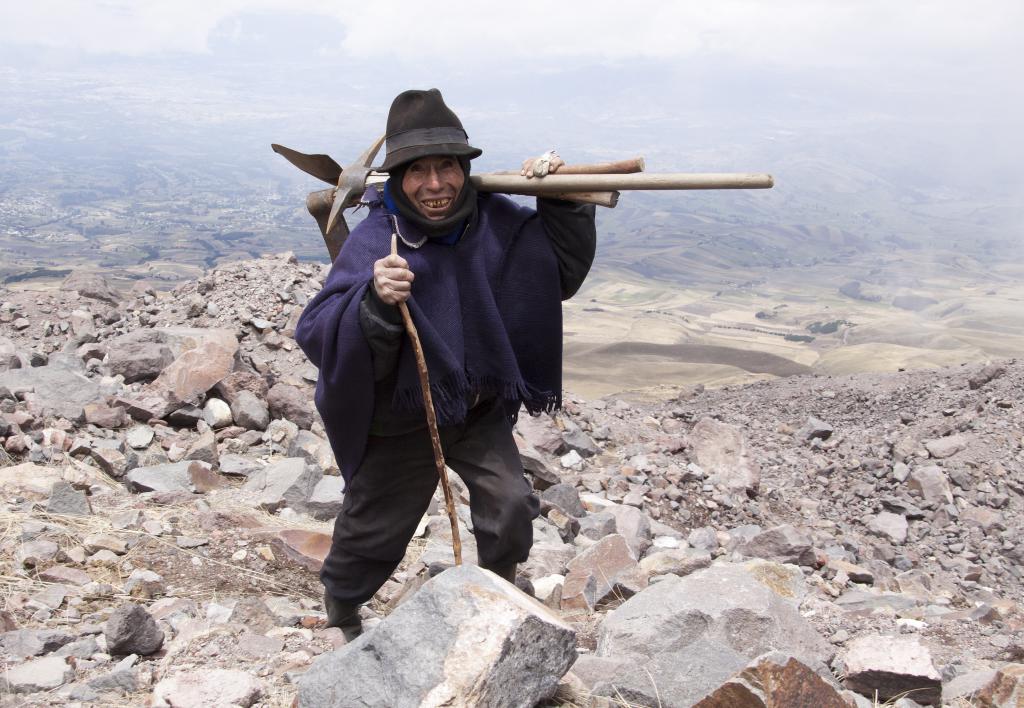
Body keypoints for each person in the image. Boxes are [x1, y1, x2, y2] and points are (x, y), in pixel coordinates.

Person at [294, 88, 596, 638]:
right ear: (399, 179)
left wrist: (563, 199)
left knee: (508, 506)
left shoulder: (498, 223)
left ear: (464, 169)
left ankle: (495, 601)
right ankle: (341, 611)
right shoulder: (377, 237)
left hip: (477, 407)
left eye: (447, 168)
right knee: (373, 530)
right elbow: (317, 329)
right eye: (418, 171)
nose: (435, 185)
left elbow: (559, 274)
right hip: (402, 414)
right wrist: (374, 301)